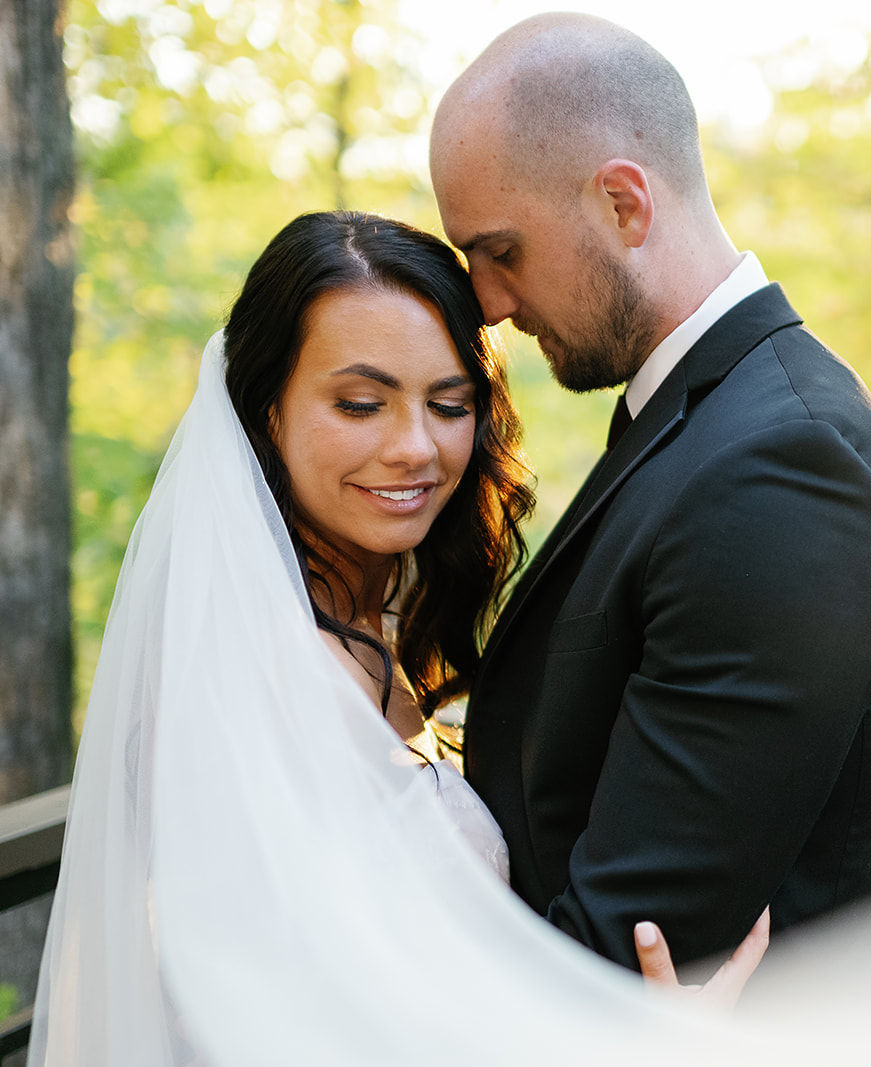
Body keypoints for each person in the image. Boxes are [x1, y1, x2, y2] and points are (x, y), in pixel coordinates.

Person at [27, 211, 763, 1066]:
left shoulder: (379, 629)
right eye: (361, 404)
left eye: (449, 405)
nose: (415, 448)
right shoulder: (249, 678)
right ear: (265, 410)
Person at [429, 13, 871, 985]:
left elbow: (632, 948)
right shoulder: (707, 416)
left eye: (501, 252)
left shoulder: (784, 471)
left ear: (623, 204)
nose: (489, 302)